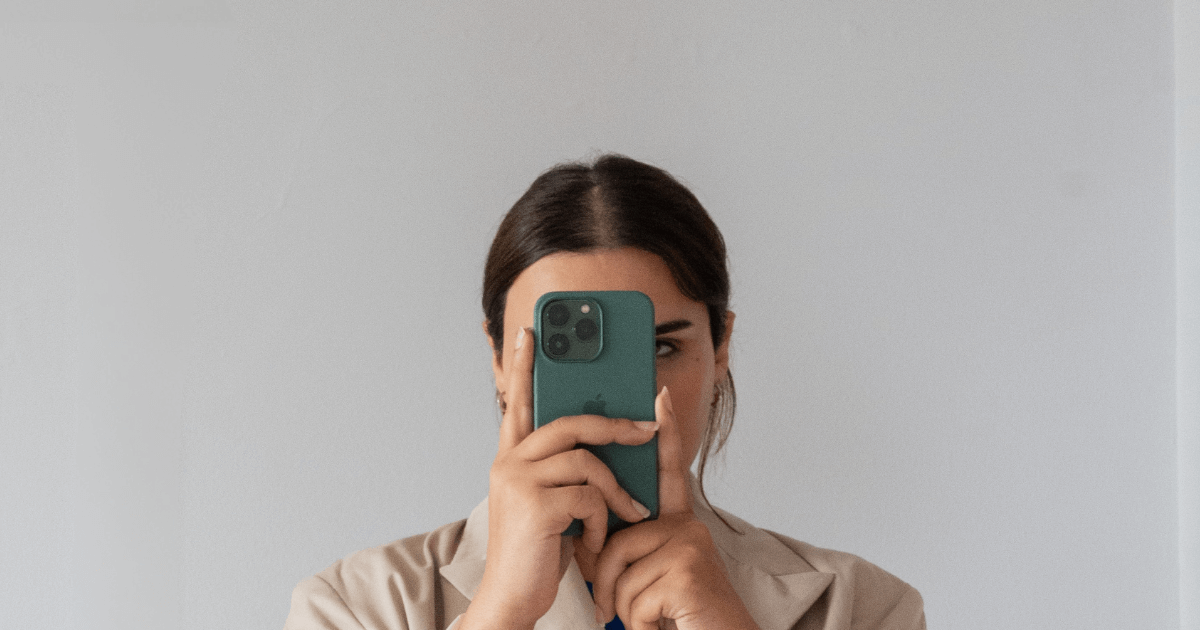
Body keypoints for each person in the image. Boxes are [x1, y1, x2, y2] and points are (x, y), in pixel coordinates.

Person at [283, 155, 925, 630]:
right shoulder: (354, 606)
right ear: (499, 360)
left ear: (721, 347)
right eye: (560, 353)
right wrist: (502, 609)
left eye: (662, 346)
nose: (623, 399)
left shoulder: (861, 607)